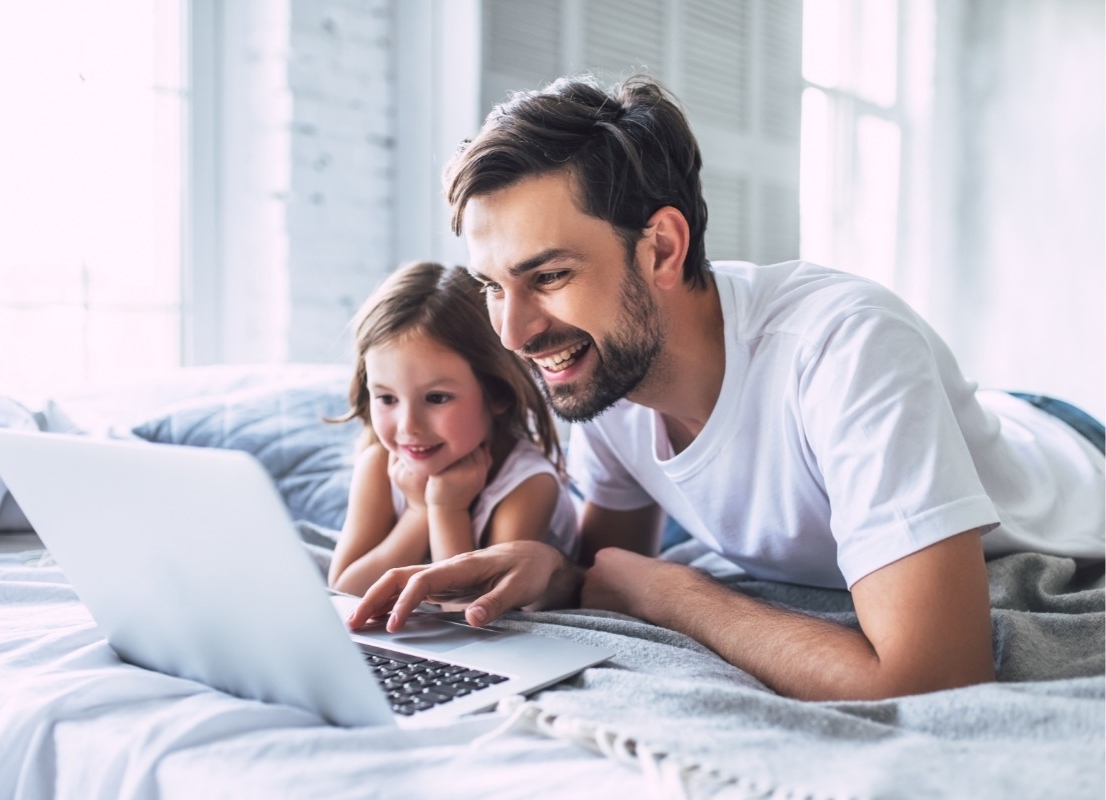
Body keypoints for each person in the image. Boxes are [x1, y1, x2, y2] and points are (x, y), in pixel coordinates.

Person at [345, 75, 1106, 702]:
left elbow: (935, 677)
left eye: (549, 276)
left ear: (663, 248)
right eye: (491, 287)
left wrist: (670, 593)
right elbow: (607, 569)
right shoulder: (600, 369)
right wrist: (556, 571)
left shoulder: (846, 347)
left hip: (1064, 458)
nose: (512, 334)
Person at [327, 260, 578, 596]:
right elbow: (344, 589)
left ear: (497, 393)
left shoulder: (529, 486)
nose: (408, 426)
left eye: (436, 398)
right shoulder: (379, 464)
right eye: (387, 399)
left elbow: (472, 613)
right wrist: (418, 513)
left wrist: (447, 510)